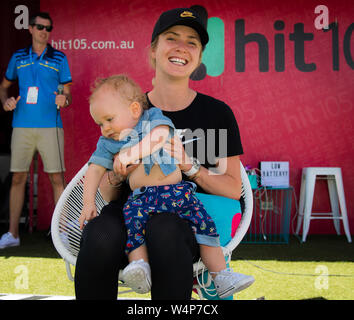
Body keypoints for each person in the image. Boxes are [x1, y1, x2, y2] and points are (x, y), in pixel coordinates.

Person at [74, 7, 254, 300]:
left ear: (198, 57)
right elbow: (107, 193)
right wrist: (120, 173)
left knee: (164, 229)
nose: (182, 47)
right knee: (99, 234)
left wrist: (189, 166)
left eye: (192, 42)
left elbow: (234, 189)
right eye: (172, 38)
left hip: (183, 216)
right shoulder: (126, 108)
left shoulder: (217, 114)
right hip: (132, 211)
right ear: (153, 51)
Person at [0, 12, 72, 249]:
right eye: (39, 27)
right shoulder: (18, 57)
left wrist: (64, 100)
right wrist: (5, 101)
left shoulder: (59, 57)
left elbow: (67, 93)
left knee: (57, 178)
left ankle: (64, 234)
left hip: (51, 126)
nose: (43, 31)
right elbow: (2, 89)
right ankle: (12, 234)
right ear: (30, 28)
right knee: (18, 177)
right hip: (22, 126)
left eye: (48, 28)